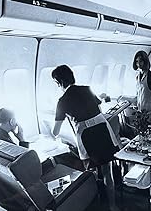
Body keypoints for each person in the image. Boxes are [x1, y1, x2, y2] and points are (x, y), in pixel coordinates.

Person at [51, 65, 120, 211]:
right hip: (102, 130)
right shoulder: (87, 88)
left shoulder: (62, 101)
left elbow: (55, 131)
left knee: (92, 173)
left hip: (87, 137)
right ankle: (113, 206)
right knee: (108, 171)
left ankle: (96, 202)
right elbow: (98, 105)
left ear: (58, 82)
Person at [133, 50, 151, 124]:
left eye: (141, 61)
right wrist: (136, 104)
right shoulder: (137, 76)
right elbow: (139, 93)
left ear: (145, 61)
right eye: (137, 61)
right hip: (141, 112)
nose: (139, 64)